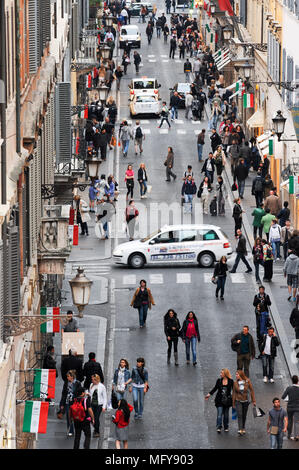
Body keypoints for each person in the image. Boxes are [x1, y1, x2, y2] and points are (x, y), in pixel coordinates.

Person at [232, 370, 256, 435]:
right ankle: (240, 429)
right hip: (238, 400)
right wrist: (233, 403)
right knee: (239, 414)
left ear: (241, 375)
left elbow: (251, 390)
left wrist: (253, 400)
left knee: (244, 415)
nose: (236, 376)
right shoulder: (235, 383)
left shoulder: (247, 381)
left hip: (246, 401)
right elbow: (234, 393)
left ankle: (243, 427)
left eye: (237, 374)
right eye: (236, 374)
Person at [59, 370, 81, 437]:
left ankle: (77, 429)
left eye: (68, 376)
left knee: (75, 417)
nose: (67, 378)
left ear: (72, 377)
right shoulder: (66, 383)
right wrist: (62, 404)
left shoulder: (77, 383)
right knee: (69, 417)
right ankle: (70, 430)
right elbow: (64, 394)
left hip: (75, 403)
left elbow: (80, 393)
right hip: (68, 402)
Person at [281, 375, 299, 440]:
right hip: (297, 407)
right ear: (298, 380)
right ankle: (296, 435)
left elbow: (283, 397)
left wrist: (289, 399)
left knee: (290, 420)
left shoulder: (289, 388)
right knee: (296, 421)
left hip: (290, 407)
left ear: (292, 380)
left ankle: (289, 434)